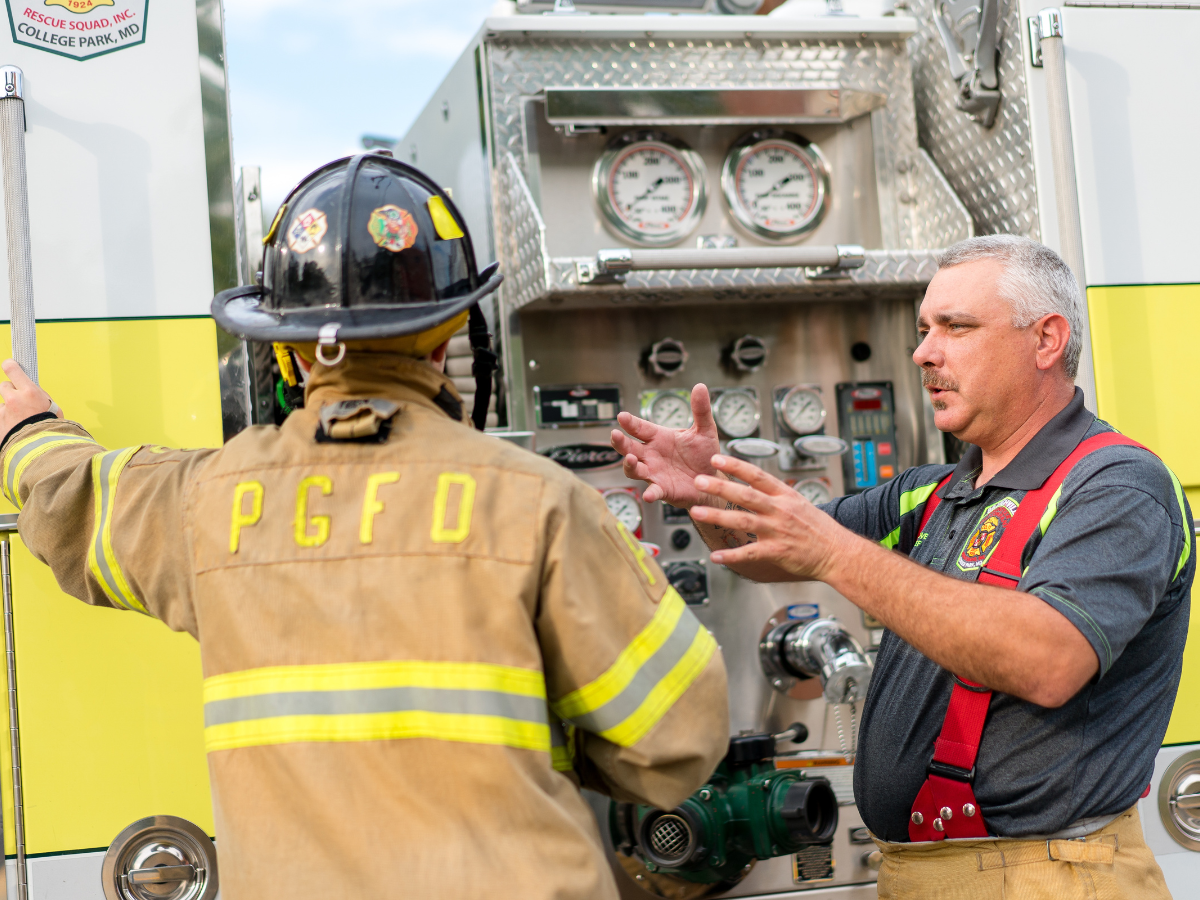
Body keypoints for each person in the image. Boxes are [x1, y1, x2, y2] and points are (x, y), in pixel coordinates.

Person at [0, 155, 728, 900]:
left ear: (285, 345)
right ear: (447, 334)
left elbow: (76, 502)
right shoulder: (539, 504)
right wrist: (548, 727)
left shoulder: (203, 503)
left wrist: (26, 431)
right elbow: (680, 740)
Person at [612, 235, 1191, 898]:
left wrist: (835, 552)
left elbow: (1049, 660)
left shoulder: (1117, 486)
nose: (924, 353)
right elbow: (774, 550)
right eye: (922, 330)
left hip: (1048, 877)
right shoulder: (934, 491)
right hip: (924, 874)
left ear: (1047, 339)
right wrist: (709, 495)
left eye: (956, 327)